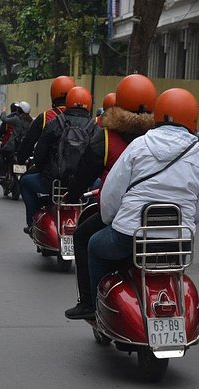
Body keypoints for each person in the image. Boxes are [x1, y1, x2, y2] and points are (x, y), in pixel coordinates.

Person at [67, 88, 199, 320]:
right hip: (177, 242)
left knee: (95, 245)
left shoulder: (139, 145)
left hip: (129, 236)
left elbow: (111, 195)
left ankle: (94, 306)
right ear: (192, 118)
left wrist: (110, 220)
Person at [63, 74, 157, 319]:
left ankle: (88, 302)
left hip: (121, 217)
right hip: (162, 219)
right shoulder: (158, 139)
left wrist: (71, 194)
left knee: (83, 236)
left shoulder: (105, 138)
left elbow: (85, 174)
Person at [20, 86, 99, 234]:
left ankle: (32, 222)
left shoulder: (54, 123)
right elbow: (99, 160)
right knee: (99, 187)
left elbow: (38, 157)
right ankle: (91, 224)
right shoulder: (95, 127)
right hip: (84, 186)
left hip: (53, 184)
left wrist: (47, 170)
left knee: (25, 182)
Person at [16, 75, 76, 165]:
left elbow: (28, 142)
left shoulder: (44, 117)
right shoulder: (83, 119)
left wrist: (21, 159)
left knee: (26, 179)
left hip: (48, 172)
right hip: (75, 173)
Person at [0, 101, 32, 176]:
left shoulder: (17, 119)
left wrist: (3, 111)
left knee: (0, 154)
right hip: (24, 147)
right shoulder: (31, 121)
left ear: (20, 110)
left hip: (12, 146)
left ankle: (2, 173)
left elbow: (4, 119)